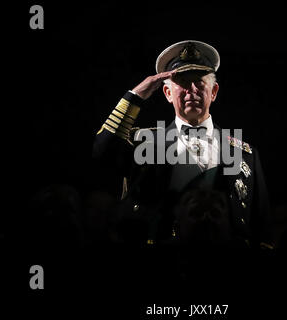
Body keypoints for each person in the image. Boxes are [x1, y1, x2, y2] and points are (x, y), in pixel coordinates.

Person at [92, 40, 273, 249]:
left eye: (199, 82)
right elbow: (103, 153)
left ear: (213, 92)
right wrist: (135, 96)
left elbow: (262, 229)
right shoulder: (145, 143)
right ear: (168, 93)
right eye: (183, 83)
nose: (192, 90)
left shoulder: (243, 153)